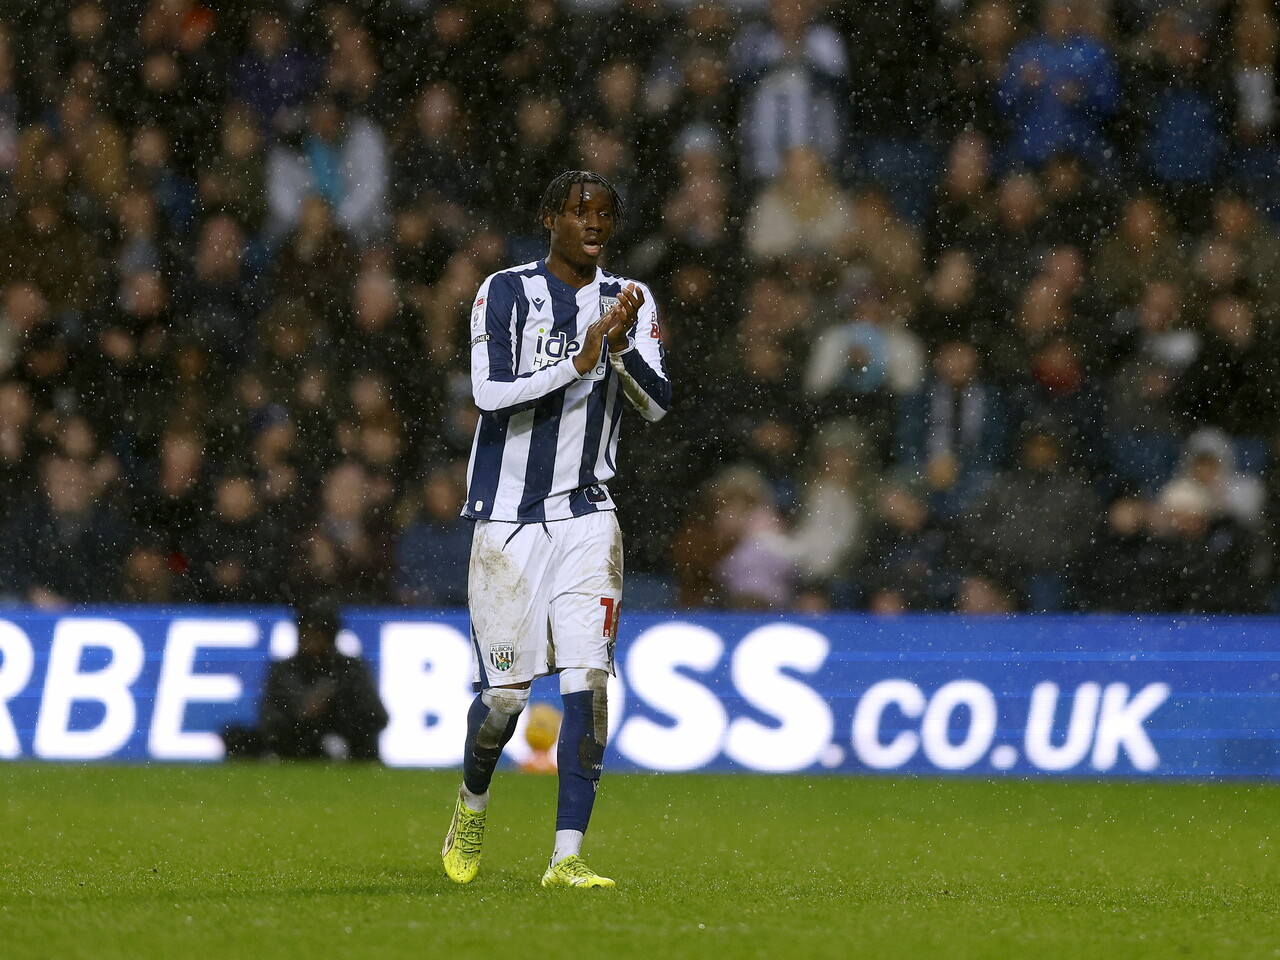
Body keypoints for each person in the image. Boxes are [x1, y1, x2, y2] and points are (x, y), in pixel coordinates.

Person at [441, 170, 670, 890]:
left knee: (589, 685)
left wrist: (622, 346)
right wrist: (579, 359)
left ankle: (566, 857)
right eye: (578, 213)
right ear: (550, 219)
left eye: (604, 213)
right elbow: (488, 393)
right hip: (506, 520)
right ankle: (472, 803)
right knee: (505, 702)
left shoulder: (630, 299)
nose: (592, 224)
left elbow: (658, 407)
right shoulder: (503, 291)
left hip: (587, 517)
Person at [257, 601, 388, 761]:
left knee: (338, 745)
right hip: (296, 746)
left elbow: (377, 717)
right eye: (306, 634)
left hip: (347, 746)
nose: (310, 642)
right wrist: (303, 715)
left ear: (330, 638)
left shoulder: (349, 670)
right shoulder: (285, 671)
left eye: (317, 635)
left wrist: (334, 716)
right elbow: (269, 720)